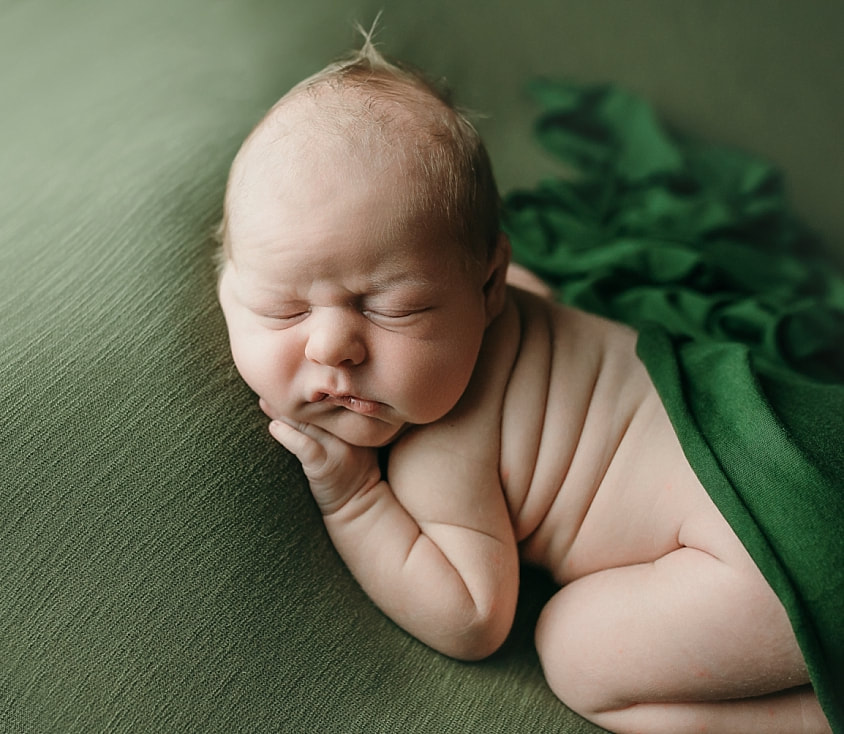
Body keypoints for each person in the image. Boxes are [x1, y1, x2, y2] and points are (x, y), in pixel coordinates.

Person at [215, 37, 832, 734]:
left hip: (762, 556)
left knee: (574, 653)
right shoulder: (513, 293)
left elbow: (474, 618)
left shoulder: (439, 452)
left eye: (391, 308)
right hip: (804, 446)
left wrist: (354, 497)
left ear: (488, 288)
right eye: (283, 309)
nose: (333, 347)